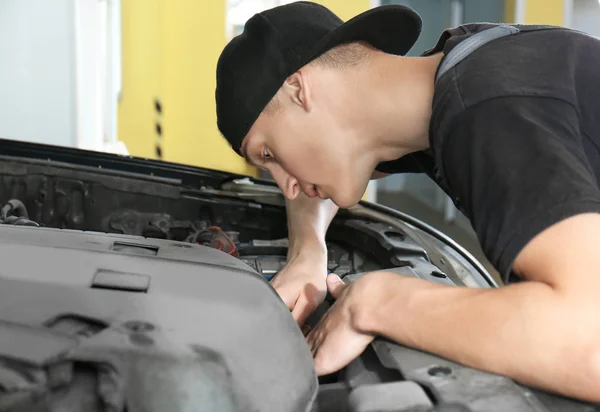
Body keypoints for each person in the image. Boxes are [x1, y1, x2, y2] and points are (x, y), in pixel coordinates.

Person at [215, 1, 600, 403]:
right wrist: (307, 251)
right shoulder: (455, 79)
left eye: (268, 155)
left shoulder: (488, 110)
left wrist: (378, 302)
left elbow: (591, 344)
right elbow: (324, 183)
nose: (288, 188)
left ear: (299, 89)